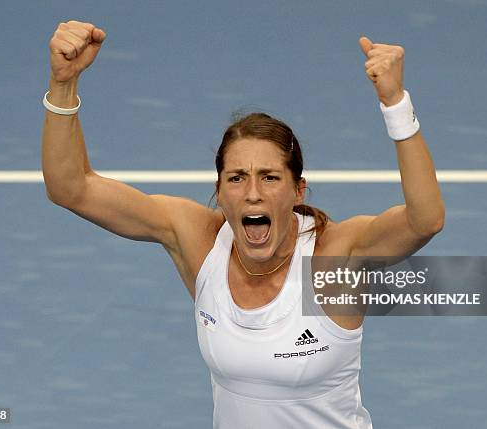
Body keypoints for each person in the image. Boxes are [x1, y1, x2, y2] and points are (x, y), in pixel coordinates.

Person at [42, 20, 444, 429]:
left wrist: (395, 103)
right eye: (237, 178)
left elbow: (425, 220)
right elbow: (71, 188)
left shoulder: (332, 258)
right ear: (219, 190)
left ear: (298, 190)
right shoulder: (198, 240)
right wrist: (63, 83)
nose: (252, 193)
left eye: (270, 177)